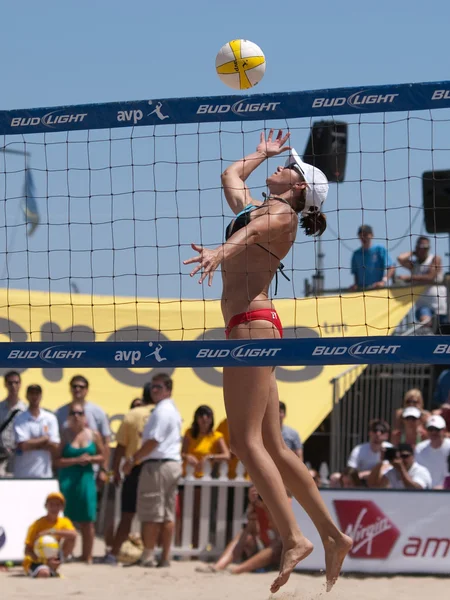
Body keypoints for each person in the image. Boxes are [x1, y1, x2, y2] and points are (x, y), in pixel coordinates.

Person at [184, 129, 352, 593]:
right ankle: (335, 536)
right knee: (274, 447)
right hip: (253, 322)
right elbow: (230, 174)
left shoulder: (279, 213)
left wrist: (220, 251)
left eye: (287, 166)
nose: (281, 166)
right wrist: (259, 155)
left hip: (251, 325)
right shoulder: (255, 207)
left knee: (242, 440)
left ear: (298, 187)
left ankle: (294, 537)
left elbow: (254, 233)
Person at [122, 373, 182, 568]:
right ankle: (165, 557)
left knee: (151, 513)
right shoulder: (171, 410)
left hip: (158, 465)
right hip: (171, 462)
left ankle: (148, 556)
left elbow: (154, 441)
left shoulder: (161, 411)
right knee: (167, 514)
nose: (153, 390)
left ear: (168, 389)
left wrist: (133, 460)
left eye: (158, 387)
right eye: (152, 387)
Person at [103, 382, 153, 566]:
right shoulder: (162, 413)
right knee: (155, 517)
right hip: (154, 466)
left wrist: (115, 470)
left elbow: (120, 447)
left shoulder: (132, 415)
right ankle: (152, 554)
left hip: (134, 467)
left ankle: (113, 554)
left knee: (127, 515)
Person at [54, 400, 105, 563]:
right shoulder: (64, 435)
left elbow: (103, 456)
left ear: (85, 416)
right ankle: (59, 554)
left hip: (86, 479)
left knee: (88, 519)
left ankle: (87, 556)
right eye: (73, 413)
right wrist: (76, 460)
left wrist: (90, 459)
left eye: (80, 413)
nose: (76, 416)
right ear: (68, 416)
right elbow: (57, 461)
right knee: (63, 518)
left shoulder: (94, 434)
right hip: (68, 479)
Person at [55, 375, 111, 479]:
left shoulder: (98, 412)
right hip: (66, 471)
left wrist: (103, 469)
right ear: (70, 389)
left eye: (81, 387)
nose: (77, 389)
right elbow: (55, 443)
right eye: (74, 386)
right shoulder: (60, 413)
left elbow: (106, 442)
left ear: (87, 390)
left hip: (91, 471)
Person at [23, 491, 77, 578]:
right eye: (51, 504)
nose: (54, 507)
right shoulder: (36, 525)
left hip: (52, 556)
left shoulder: (64, 521)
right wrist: (45, 561)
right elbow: (27, 551)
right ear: (46, 506)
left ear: (62, 508)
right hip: (35, 559)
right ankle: (46, 569)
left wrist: (51, 531)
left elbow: (74, 534)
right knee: (44, 574)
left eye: (57, 505)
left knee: (71, 538)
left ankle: (55, 565)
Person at [397, 236, 447, 324]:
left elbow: (430, 277)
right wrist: (414, 252)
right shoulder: (414, 265)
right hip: (423, 306)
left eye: (425, 247)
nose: (423, 249)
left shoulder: (435, 259)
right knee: (426, 324)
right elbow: (400, 258)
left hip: (440, 307)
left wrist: (409, 278)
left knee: (442, 332)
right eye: (421, 247)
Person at [13, 385, 60, 478]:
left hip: (44, 474)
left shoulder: (50, 418)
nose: (34, 397)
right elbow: (23, 445)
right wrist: (45, 439)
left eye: (37, 394)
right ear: (26, 396)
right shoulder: (19, 418)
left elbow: (55, 446)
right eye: (31, 393)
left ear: (41, 396)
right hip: (23, 473)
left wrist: (31, 443)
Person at [181, 405, 230, 478]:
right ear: (196, 418)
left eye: (208, 416)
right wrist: (187, 456)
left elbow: (227, 455)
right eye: (201, 416)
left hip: (205, 476)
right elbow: (182, 453)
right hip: (187, 474)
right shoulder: (189, 433)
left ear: (212, 418)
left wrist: (209, 457)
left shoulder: (217, 436)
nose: (204, 418)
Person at [368, 443, 432, 489]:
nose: (401, 460)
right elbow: (375, 487)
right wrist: (380, 462)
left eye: (405, 456)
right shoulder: (392, 472)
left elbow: (416, 490)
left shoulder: (421, 471)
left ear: (413, 456)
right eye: (399, 457)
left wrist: (401, 469)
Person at [349, 224, 395, 290]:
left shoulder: (380, 249)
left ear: (372, 235)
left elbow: (391, 267)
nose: (363, 238)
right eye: (361, 236)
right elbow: (355, 273)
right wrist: (355, 285)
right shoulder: (356, 254)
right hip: (362, 291)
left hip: (377, 289)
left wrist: (383, 281)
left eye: (365, 235)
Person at [0, 371, 26, 477]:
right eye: (10, 383)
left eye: (16, 383)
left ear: (20, 384)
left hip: (18, 456)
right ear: (5, 384)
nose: (13, 386)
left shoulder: (25, 410)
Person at [414, 415, 450, 489]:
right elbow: (418, 472)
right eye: (430, 429)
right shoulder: (420, 448)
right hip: (424, 492)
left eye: (437, 429)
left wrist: (443, 487)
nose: (433, 432)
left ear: (444, 430)